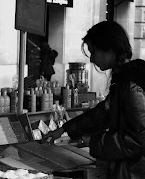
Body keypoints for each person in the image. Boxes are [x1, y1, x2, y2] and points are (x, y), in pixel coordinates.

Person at [43, 21, 145, 179]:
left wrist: (94, 141)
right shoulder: (123, 81)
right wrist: (64, 129)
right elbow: (103, 112)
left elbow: (138, 141)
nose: (91, 59)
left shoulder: (131, 86)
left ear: (109, 49)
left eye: (93, 51)